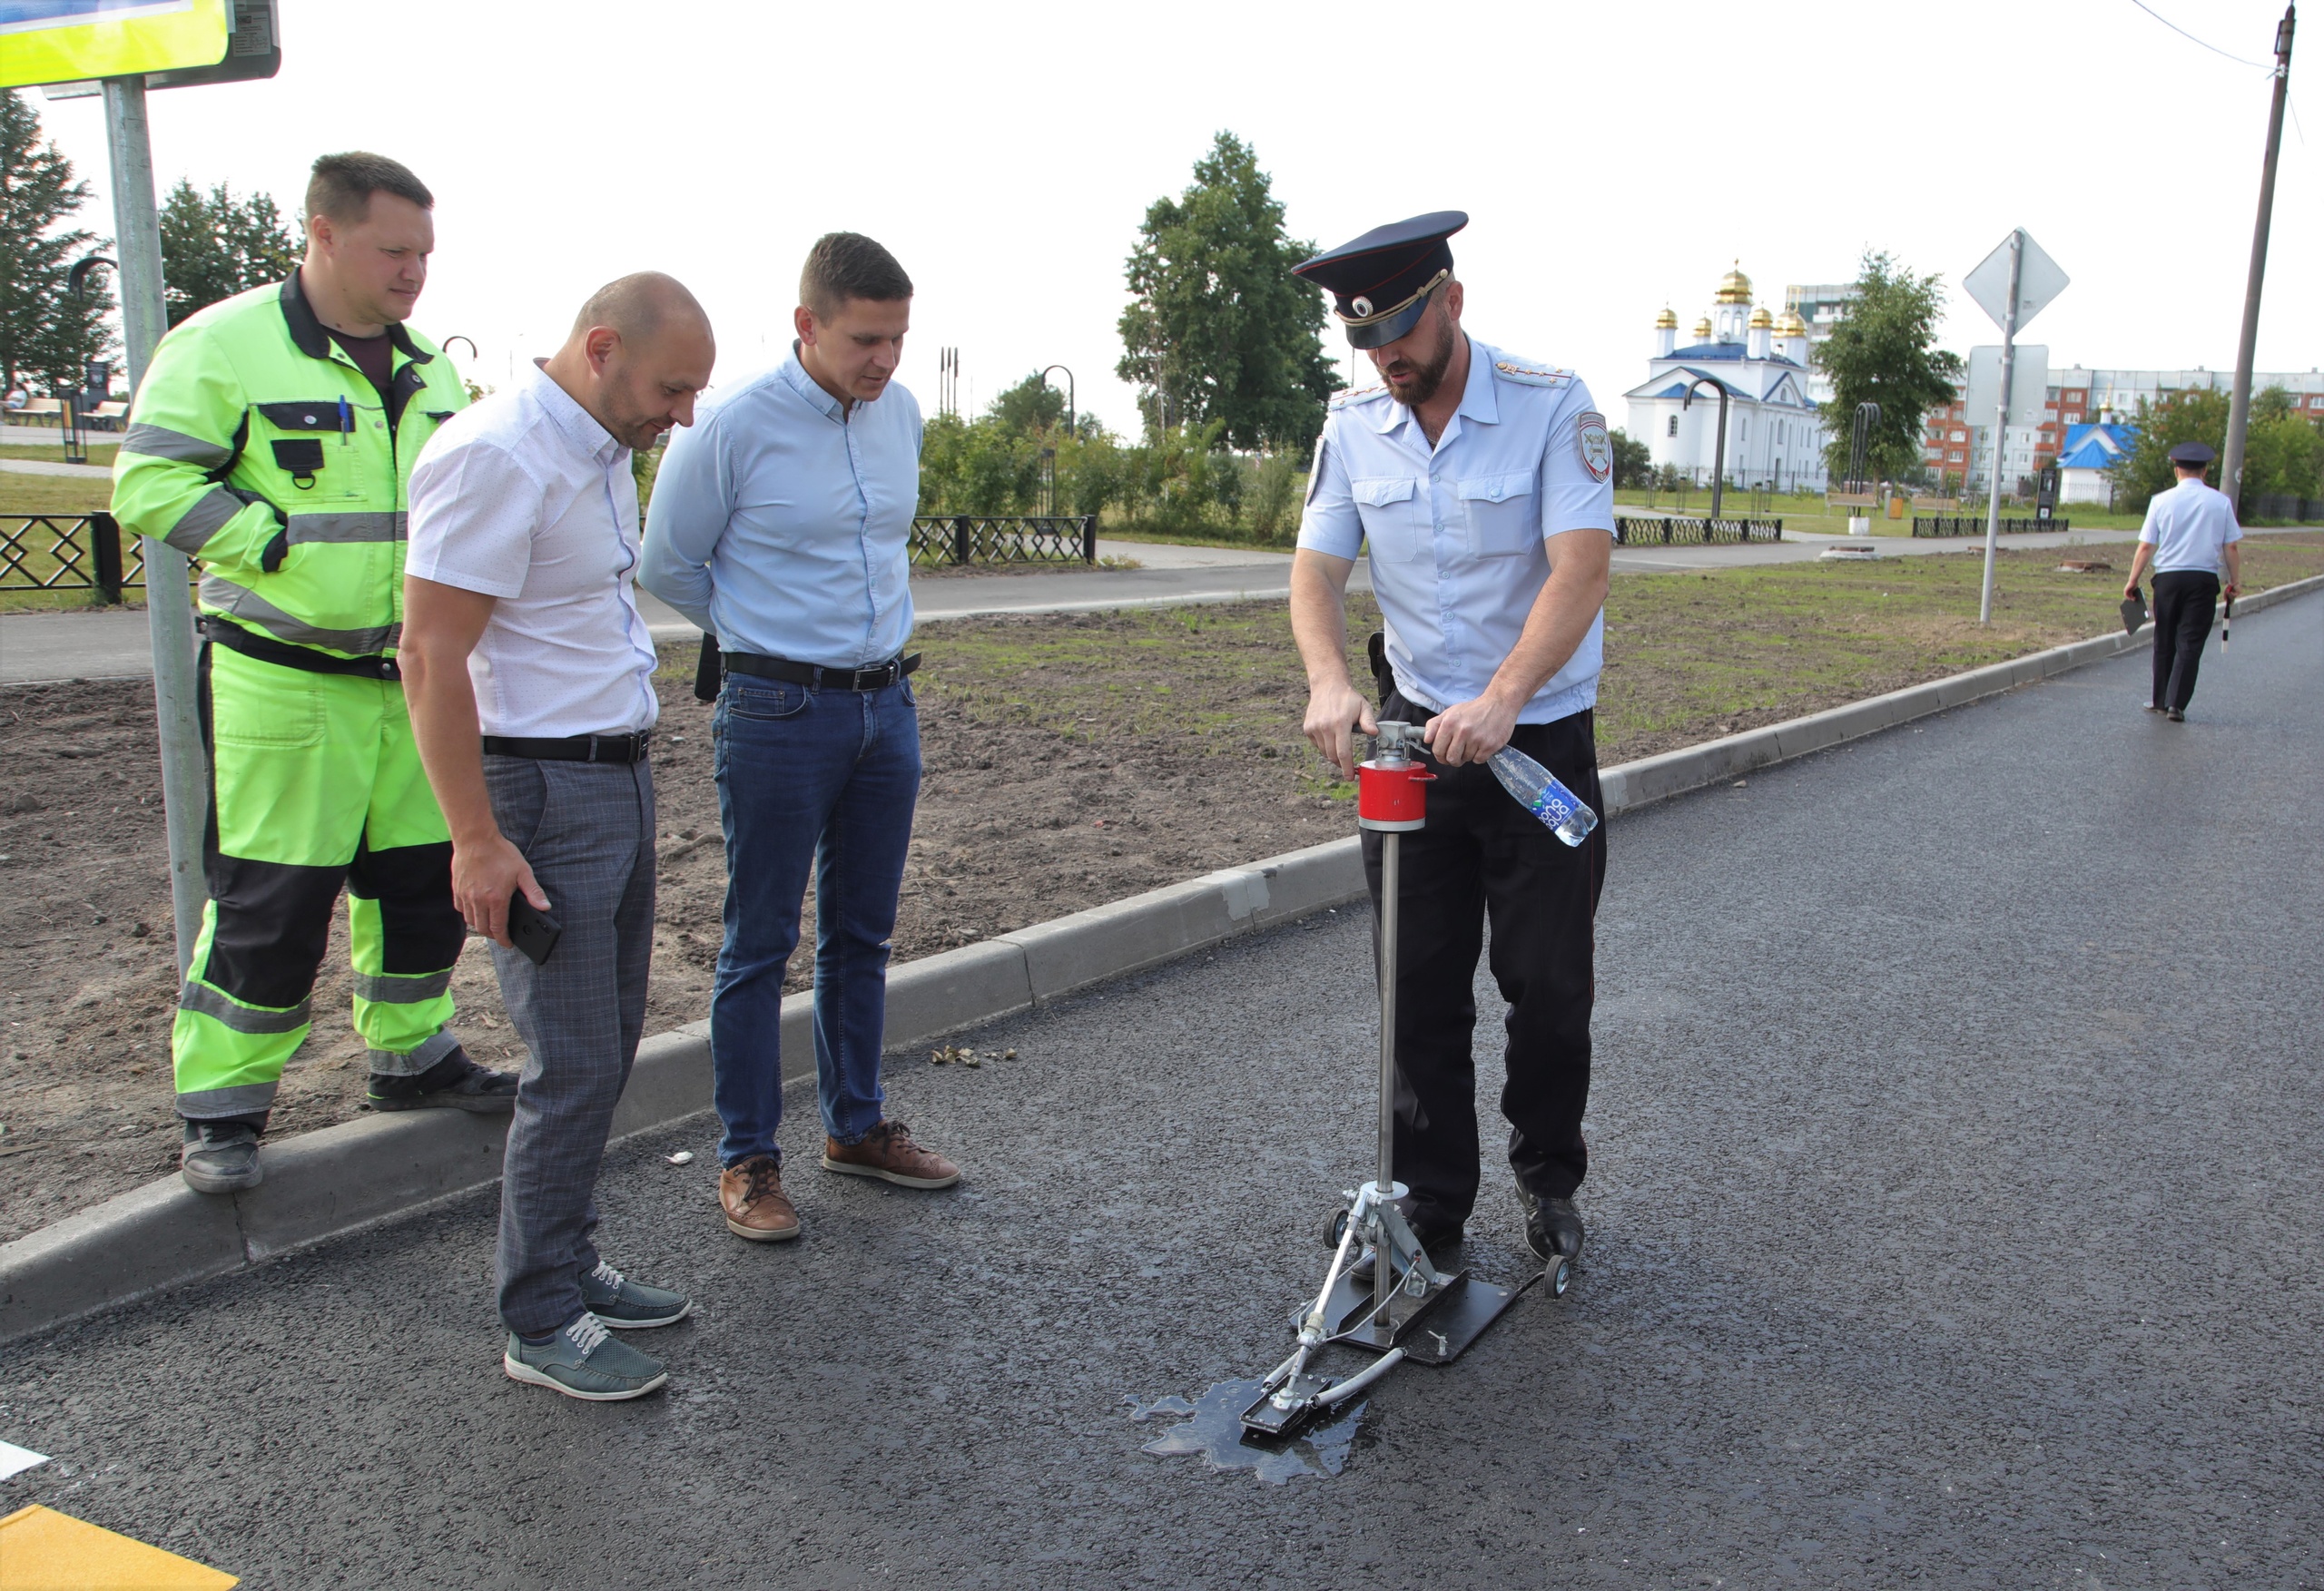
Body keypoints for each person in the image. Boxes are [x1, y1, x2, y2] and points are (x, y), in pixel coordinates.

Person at [112, 152, 514, 1197]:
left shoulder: (430, 365)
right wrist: (266, 540)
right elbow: (148, 480)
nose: (414, 273)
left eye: (425, 253)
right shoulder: (225, 344)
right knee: (273, 898)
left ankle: (412, 1054)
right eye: (394, 250)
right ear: (323, 233)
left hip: (408, 683)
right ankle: (223, 1104)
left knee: (421, 885)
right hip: (280, 679)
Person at [401, 273, 716, 1401]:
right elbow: (431, 656)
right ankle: (537, 1314)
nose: (680, 415)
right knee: (570, 1063)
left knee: (608, 1046)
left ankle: (571, 1264)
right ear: (599, 348)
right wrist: (475, 839)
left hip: (611, 780)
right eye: (670, 388)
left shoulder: (593, 452)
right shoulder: (498, 453)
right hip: (535, 793)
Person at [1286, 212, 1613, 1269]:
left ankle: (1548, 1176)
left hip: (1534, 743)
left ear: (1452, 304)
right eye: (1368, 341)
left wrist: (1506, 695)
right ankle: (1430, 1201)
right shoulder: (1352, 425)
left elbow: (1579, 568)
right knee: (1416, 982)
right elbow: (1317, 570)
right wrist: (1331, 679)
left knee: (1548, 987)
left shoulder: (1550, 405)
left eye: (1403, 335)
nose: (1388, 360)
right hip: (1411, 743)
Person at [640, 232, 960, 1245]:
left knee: (862, 934)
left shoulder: (899, 415)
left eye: (899, 337)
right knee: (759, 942)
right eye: (866, 338)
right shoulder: (730, 424)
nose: (886, 359)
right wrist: (763, 642)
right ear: (806, 325)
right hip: (777, 712)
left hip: (885, 707)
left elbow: (882, 549)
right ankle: (747, 1157)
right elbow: (668, 563)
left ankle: (855, 1127)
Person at [2124, 441, 2242, 722]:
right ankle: (2176, 704)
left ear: (2177, 470)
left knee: (2164, 637)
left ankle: (2159, 700)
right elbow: (2231, 548)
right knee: (2190, 640)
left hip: (2167, 579)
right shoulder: (2220, 502)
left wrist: (2132, 580)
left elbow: (2145, 546)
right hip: (2202, 580)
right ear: (2205, 471)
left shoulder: (2161, 501)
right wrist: (2234, 582)